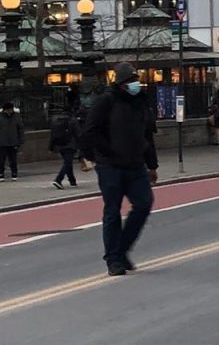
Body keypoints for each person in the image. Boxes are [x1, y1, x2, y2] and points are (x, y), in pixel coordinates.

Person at [79, 67, 159, 277]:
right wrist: (103, 154)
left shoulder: (140, 102)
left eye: (137, 79)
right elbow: (90, 131)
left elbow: (148, 135)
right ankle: (113, 259)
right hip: (110, 166)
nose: (136, 84)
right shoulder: (106, 102)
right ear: (122, 83)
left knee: (143, 204)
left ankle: (122, 249)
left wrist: (152, 165)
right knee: (112, 211)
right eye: (132, 80)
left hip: (136, 164)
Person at [49, 109, 79, 189]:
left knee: (68, 162)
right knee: (67, 163)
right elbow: (77, 134)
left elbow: (52, 135)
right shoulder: (73, 121)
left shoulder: (56, 121)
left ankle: (72, 181)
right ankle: (58, 179)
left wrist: (51, 147)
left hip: (60, 145)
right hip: (70, 145)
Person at [0, 102, 22, 180]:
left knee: (13, 159)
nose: (10, 111)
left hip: (13, 141)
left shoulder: (16, 117)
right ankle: (1, 173)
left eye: (11, 110)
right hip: (2, 142)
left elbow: (20, 129)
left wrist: (19, 141)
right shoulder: (1, 117)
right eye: (8, 110)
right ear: (5, 110)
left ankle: (14, 173)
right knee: (1, 159)